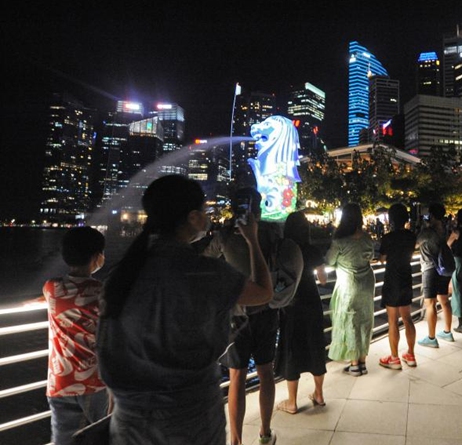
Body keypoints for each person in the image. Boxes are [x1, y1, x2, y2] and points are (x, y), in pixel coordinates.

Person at [98, 175, 273, 445]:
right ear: (193, 217)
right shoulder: (204, 272)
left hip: (129, 426)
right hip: (191, 422)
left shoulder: (121, 276)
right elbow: (263, 293)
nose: (207, 216)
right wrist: (252, 240)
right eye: (203, 211)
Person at [200, 188, 295, 444]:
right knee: (265, 372)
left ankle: (236, 441)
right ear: (259, 207)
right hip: (266, 310)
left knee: (236, 377)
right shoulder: (272, 232)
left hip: (236, 315)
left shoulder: (226, 235)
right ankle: (265, 433)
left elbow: (204, 261)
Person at [44, 227, 109, 445]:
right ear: (96, 257)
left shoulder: (51, 288)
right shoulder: (102, 292)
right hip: (93, 381)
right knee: (102, 436)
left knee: (63, 439)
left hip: (59, 381)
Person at [275, 211, 328, 412]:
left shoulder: (284, 249)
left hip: (291, 303)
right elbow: (323, 280)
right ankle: (319, 394)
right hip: (312, 300)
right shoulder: (313, 250)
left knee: (291, 348)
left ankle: (292, 402)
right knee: (315, 344)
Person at [326, 203, 376, 376]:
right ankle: (362, 361)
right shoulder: (367, 238)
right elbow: (371, 256)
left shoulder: (340, 241)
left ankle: (354, 364)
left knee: (350, 320)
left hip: (349, 284)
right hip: (367, 283)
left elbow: (330, 261)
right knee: (365, 319)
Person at [377, 204, 418, 369]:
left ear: (391, 219)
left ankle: (394, 358)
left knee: (392, 321)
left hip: (392, 280)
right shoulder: (411, 236)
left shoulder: (387, 238)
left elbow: (381, 258)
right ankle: (411, 354)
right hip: (406, 278)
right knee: (407, 319)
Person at [416, 203, 454, 347]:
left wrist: (420, 227)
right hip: (444, 268)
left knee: (430, 303)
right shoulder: (444, 228)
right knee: (444, 300)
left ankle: (431, 338)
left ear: (431, 215)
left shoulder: (428, 232)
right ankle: (447, 332)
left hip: (431, 268)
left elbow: (415, 244)